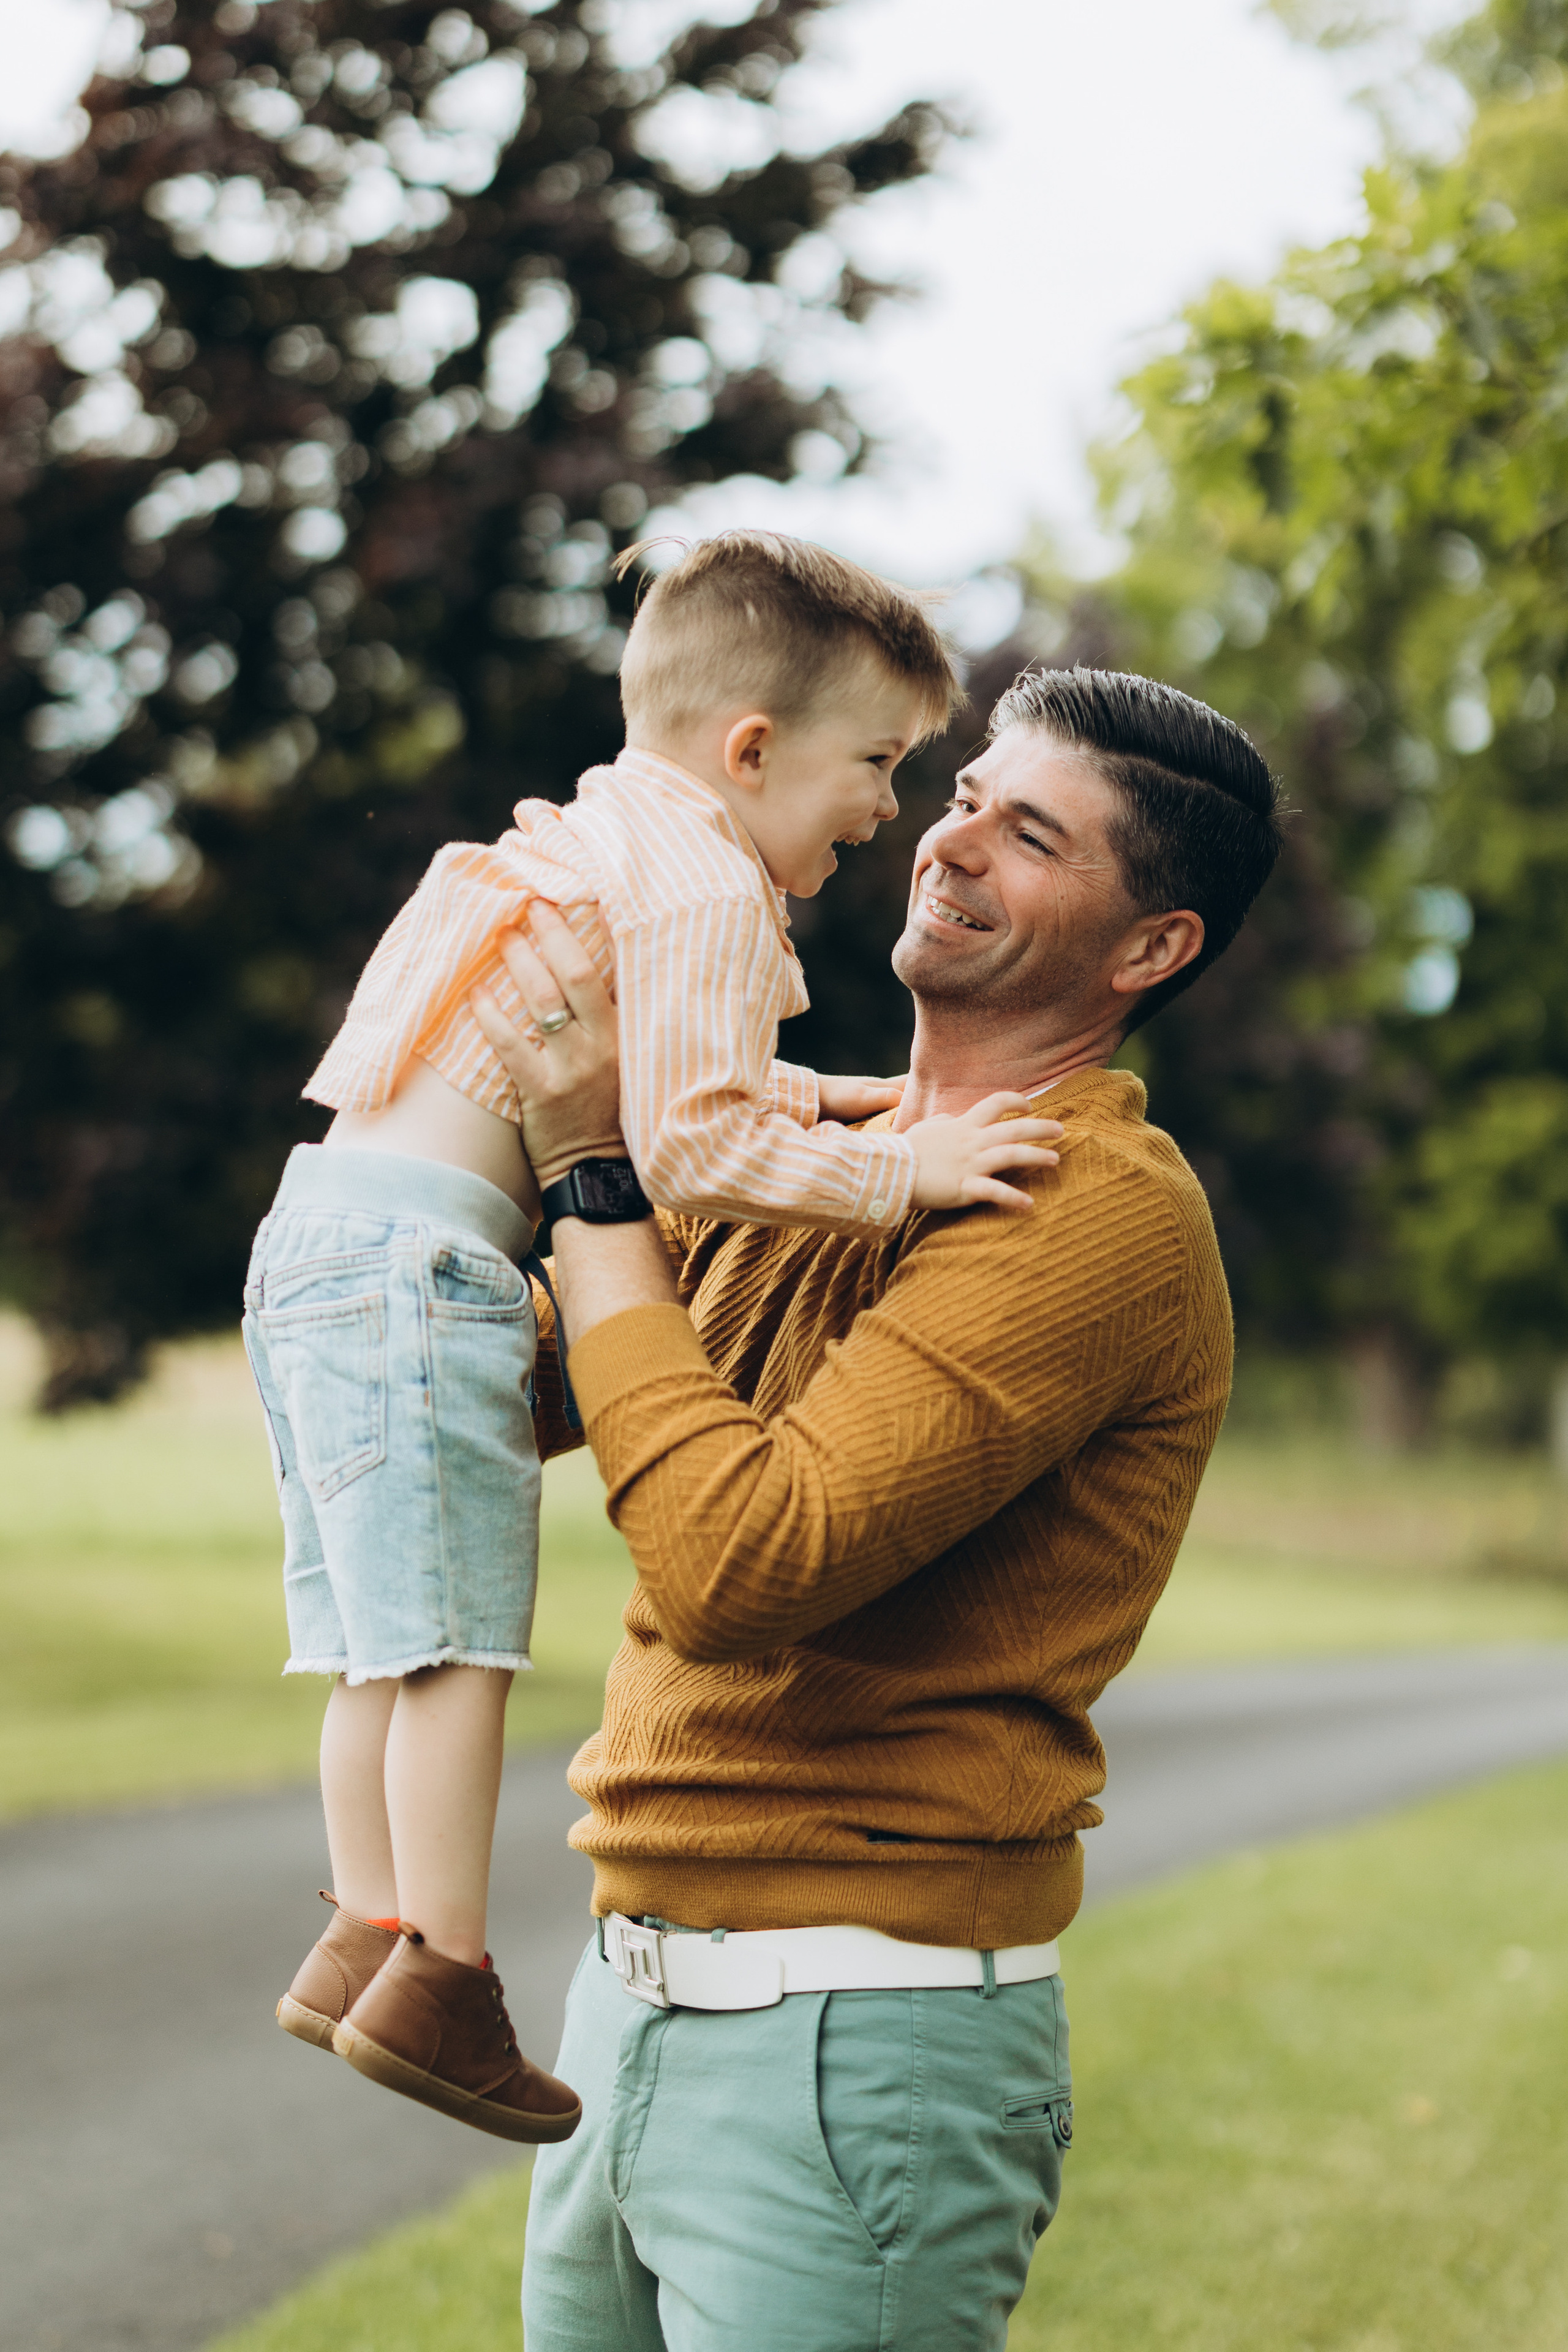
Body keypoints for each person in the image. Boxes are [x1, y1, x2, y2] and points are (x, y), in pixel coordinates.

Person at [468, 665, 1284, 2350]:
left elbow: (739, 1563)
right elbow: (508, 1395)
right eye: (968, 791)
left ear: (1150, 951)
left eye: (1031, 834)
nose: (954, 840)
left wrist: (596, 1174)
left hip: (857, 2052)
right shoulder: (799, 1152)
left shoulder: (1094, 1215)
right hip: (627, 2001)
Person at [242, 533, 1058, 2145]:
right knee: (460, 1644)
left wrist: (844, 1097)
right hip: (428, 1276)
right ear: (750, 750)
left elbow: (695, 1086)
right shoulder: (700, 879)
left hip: (320, 1242)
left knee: (371, 1643)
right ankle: (445, 1980)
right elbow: (691, 1153)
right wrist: (911, 1169)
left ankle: (364, 1931)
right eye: (879, 766)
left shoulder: (599, 836)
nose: (889, 812)